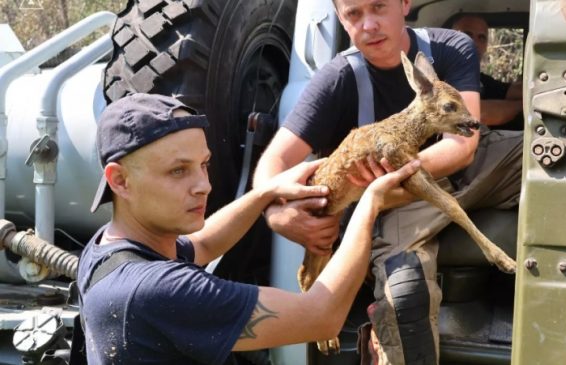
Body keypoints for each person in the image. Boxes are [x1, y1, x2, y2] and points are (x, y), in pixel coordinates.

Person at [253, 0, 523, 364]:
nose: (369, 25)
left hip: (463, 168)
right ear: (341, 20)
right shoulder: (337, 79)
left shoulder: (451, 48)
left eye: (378, 7)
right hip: (393, 201)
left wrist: (392, 168)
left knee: (548, 155)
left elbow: (463, 145)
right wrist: (276, 215)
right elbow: (273, 161)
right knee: (405, 296)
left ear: (404, 4)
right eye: (353, 14)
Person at [76, 93, 421, 364]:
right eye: (178, 171)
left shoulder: (109, 249)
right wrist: (369, 200)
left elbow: (204, 243)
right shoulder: (158, 290)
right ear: (119, 180)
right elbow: (321, 315)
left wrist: (266, 192)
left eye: (204, 165)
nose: (204, 186)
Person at [452, 13, 524, 130]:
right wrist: (522, 105)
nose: (474, 43)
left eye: (481, 37)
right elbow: (478, 114)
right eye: (467, 35)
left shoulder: (480, 80)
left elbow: (511, 91)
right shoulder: (440, 74)